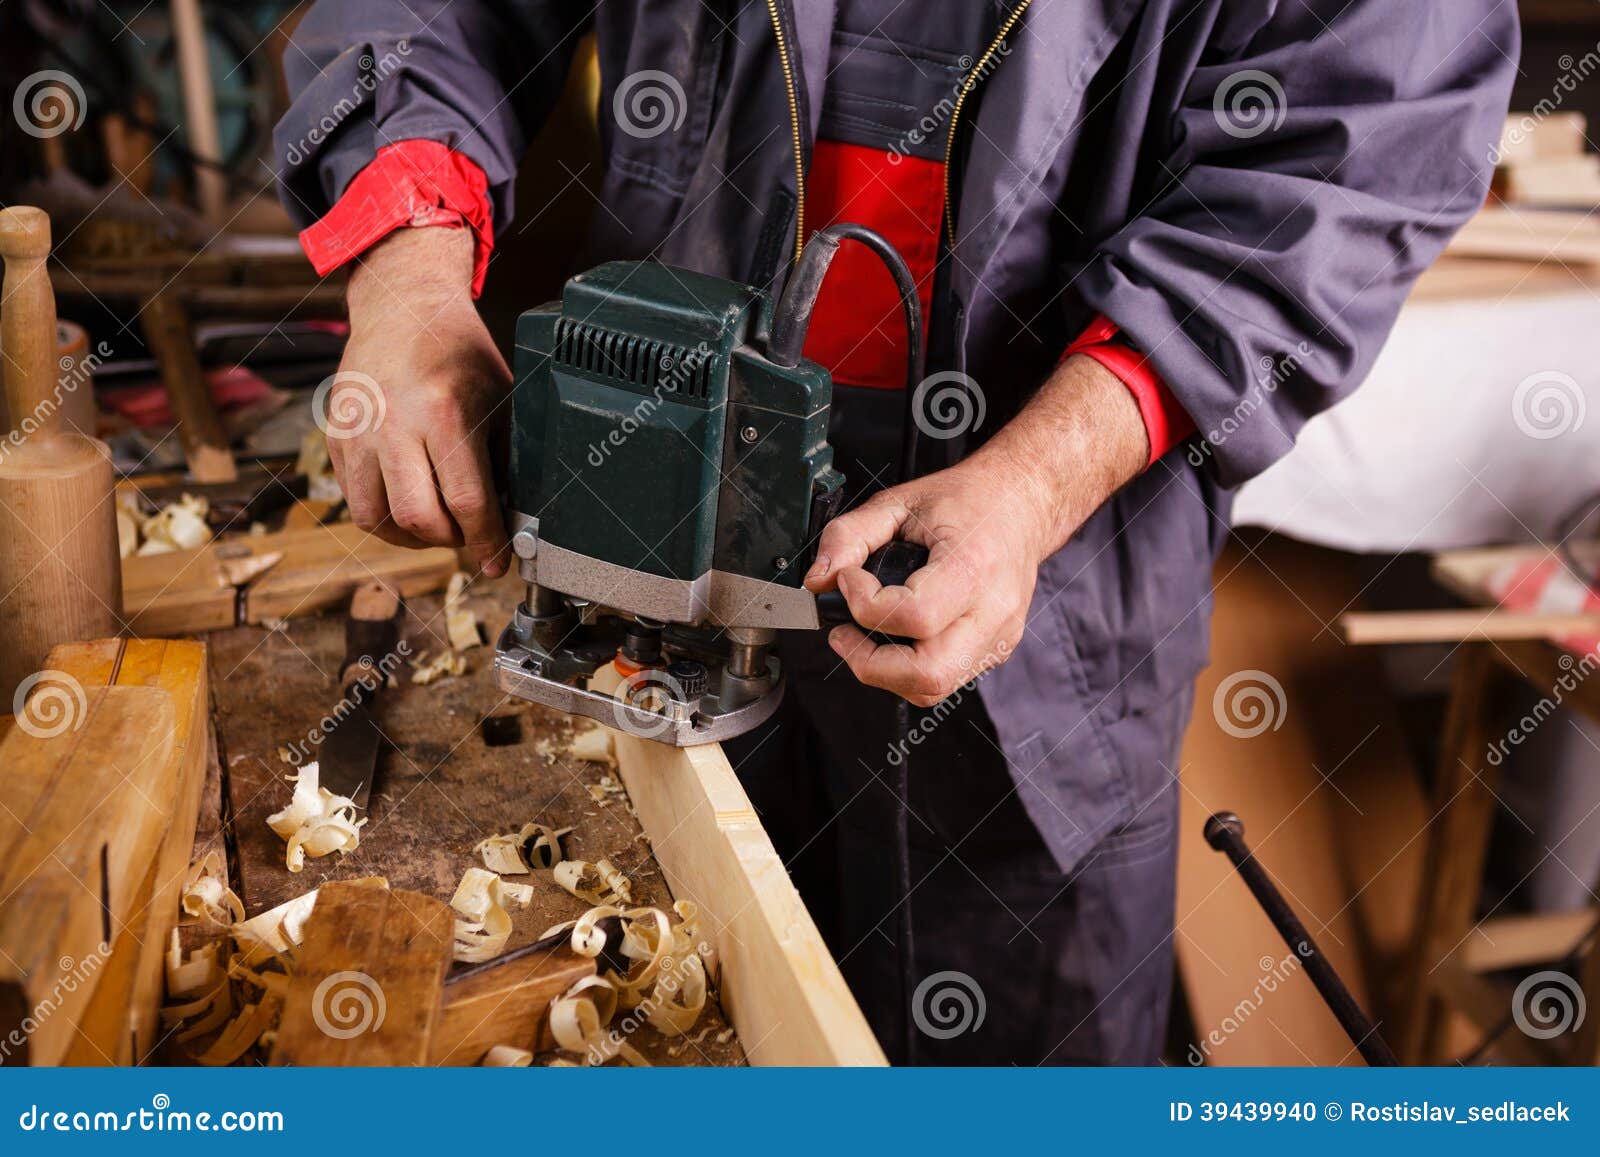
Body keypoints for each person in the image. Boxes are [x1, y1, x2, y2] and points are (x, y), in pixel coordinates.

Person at [276, 1, 1517, 1063]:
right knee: (677, 1018)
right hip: (650, 545)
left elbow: (1355, 145)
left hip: (1039, 617)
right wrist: (409, 278)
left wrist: (1038, 478)